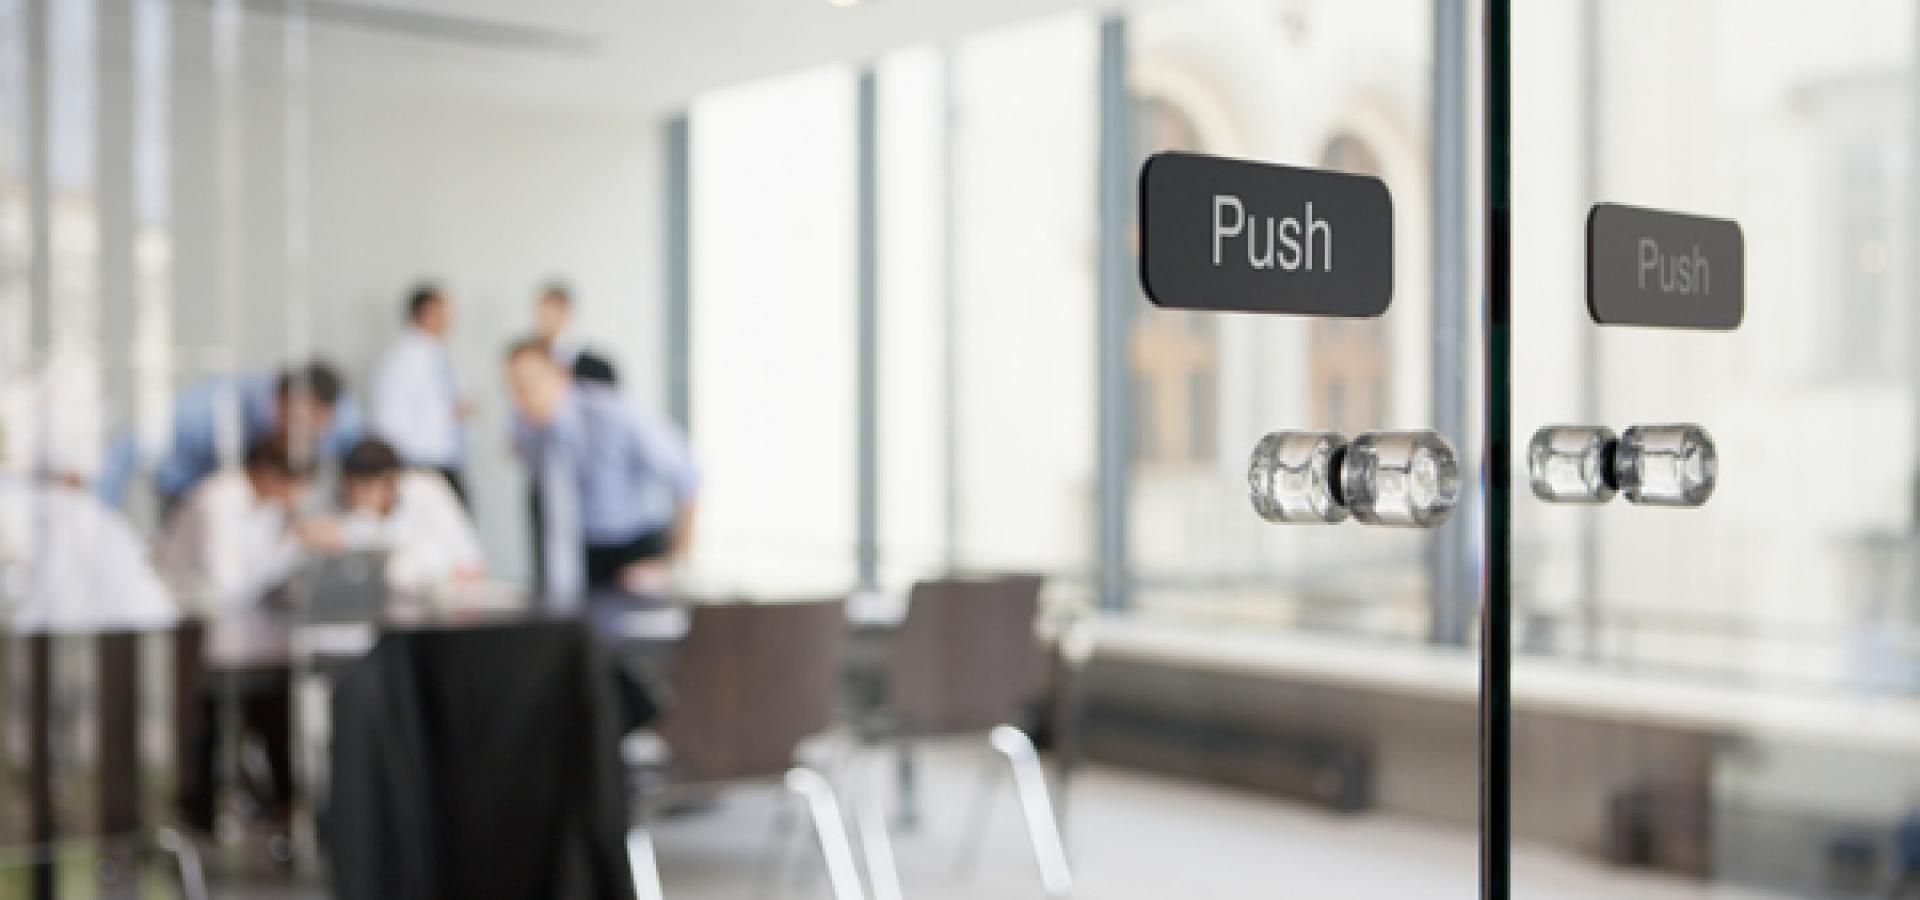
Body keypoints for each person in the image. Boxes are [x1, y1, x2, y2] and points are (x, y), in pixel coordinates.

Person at [154, 437, 338, 835]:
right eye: (295, 486)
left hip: (246, 640)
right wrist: (293, 543)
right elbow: (228, 588)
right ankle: (203, 819)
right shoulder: (218, 503)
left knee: (275, 715)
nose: (298, 498)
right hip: (197, 637)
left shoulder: (268, 510)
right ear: (269, 474)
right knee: (211, 733)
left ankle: (284, 812)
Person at [505, 339, 696, 605]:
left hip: (636, 551)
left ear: (561, 376)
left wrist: (673, 563)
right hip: (583, 555)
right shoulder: (534, 430)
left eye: (531, 383)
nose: (523, 397)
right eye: (515, 387)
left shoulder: (613, 413)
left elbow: (689, 474)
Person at [95, 360, 362, 518]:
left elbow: (366, 459)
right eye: (301, 426)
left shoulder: (341, 416)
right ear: (280, 404)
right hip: (188, 500)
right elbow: (127, 448)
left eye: (318, 428)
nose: (309, 439)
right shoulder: (207, 411)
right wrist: (96, 522)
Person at [337, 437, 485, 593]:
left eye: (366, 488)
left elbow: (471, 566)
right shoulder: (350, 515)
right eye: (352, 490)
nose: (358, 498)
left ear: (389, 481)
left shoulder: (427, 491)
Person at [371, 284, 471, 507]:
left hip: (443, 463)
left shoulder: (436, 354)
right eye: (443, 313)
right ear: (425, 313)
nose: (450, 320)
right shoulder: (402, 360)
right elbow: (388, 419)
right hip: (419, 466)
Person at [533, 282, 619, 386]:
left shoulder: (597, 368)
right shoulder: (529, 362)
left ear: (565, 313)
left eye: (551, 312)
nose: (544, 321)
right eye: (542, 314)